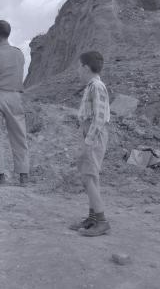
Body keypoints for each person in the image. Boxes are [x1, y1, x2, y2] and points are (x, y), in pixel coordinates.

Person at [0, 20, 29, 186]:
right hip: (15, 96)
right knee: (19, 135)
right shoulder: (19, 53)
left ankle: (0, 175)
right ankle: (23, 174)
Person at [69, 51, 111, 237]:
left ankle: (101, 221)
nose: (78, 71)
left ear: (86, 68)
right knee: (91, 177)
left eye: (79, 67)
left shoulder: (97, 86)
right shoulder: (91, 86)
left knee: (88, 177)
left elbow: (99, 118)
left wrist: (88, 141)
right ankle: (93, 217)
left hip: (94, 134)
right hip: (90, 133)